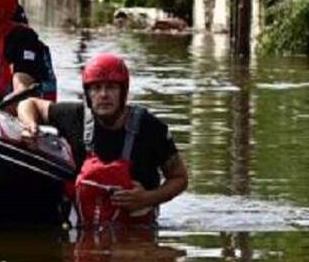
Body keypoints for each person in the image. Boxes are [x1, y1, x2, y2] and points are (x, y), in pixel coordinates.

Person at [17, 53, 188, 228]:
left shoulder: (151, 129)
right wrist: (30, 126)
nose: (104, 95)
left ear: (124, 91)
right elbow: (29, 104)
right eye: (96, 88)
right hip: (85, 231)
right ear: (88, 94)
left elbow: (180, 178)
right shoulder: (74, 117)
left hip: (137, 235)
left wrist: (147, 198)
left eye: (111, 87)